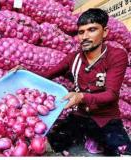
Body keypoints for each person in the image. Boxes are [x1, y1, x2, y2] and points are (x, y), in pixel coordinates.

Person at [44, 8, 131, 156]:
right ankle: (87, 137)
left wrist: (81, 97)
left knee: (124, 153)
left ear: (104, 32)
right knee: (53, 141)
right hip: (81, 115)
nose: (85, 36)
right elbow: (48, 74)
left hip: (106, 118)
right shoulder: (74, 58)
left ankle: (95, 139)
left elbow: (111, 94)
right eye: (81, 32)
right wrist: (22, 72)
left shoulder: (116, 56)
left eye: (92, 30)